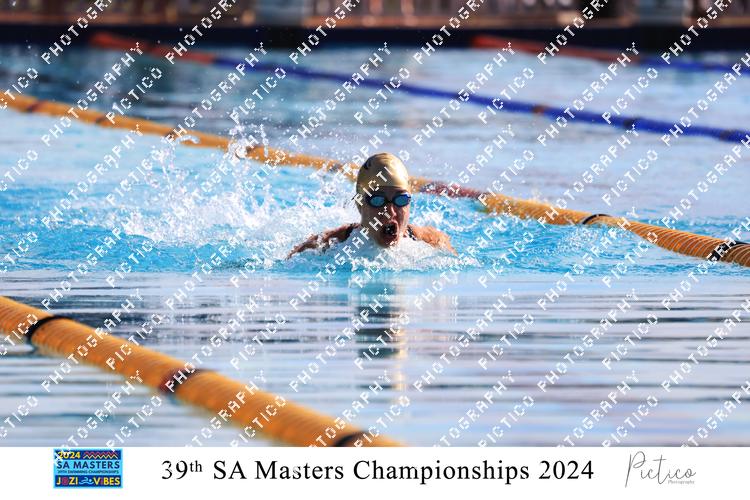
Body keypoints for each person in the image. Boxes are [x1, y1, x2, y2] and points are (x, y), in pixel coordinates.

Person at [287, 152, 456, 258]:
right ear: (360, 205)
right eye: (378, 200)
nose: (390, 212)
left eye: (400, 200)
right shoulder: (330, 243)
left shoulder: (432, 241)